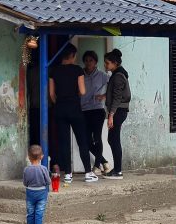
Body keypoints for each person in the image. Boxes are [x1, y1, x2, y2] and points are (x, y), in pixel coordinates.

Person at [49, 43, 98, 183]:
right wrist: (74, 95)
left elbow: (52, 95)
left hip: (60, 109)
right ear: (72, 56)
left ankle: (68, 175)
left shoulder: (54, 71)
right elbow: (83, 91)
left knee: (64, 142)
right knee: (82, 140)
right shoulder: (77, 70)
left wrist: (60, 101)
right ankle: (88, 173)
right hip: (75, 109)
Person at [81, 50, 112, 176]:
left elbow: (113, 85)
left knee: (97, 138)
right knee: (86, 141)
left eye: (91, 60)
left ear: (96, 62)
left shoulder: (102, 75)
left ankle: (96, 166)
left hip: (98, 110)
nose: (88, 63)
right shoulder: (80, 75)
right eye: (86, 60)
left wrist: (105, 95)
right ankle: (104, 162)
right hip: (84, 110)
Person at [103, 49, 131, 179]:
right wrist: (103, 96)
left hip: (118, 111)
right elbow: (115, 93)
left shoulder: (118, 76)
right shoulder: (117, 74)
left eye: (107, 63)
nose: (105, 65)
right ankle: (117, 169)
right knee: (112, 139)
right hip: (118, 110)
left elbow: (118, 97)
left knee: (114, 139)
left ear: (114, 63)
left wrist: (111, 115)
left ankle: (118, 170)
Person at [23, 144, 50, 224]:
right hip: (41, 193)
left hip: (30, 193)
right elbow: (48, 181)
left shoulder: (26, 169)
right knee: (39, 212)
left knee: (30, 212)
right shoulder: (43, 169)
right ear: (42, 156)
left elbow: (25, 182)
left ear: (29, 157)